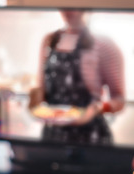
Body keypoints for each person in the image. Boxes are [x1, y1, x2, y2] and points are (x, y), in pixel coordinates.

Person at [28, 9, 125, 146]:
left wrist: (96, 109)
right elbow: (41, 91)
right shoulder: (49, 41)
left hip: (91, 138)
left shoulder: (104, 45)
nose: (68, 9)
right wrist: (34, 100)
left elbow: (119, 100)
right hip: (53, 137)